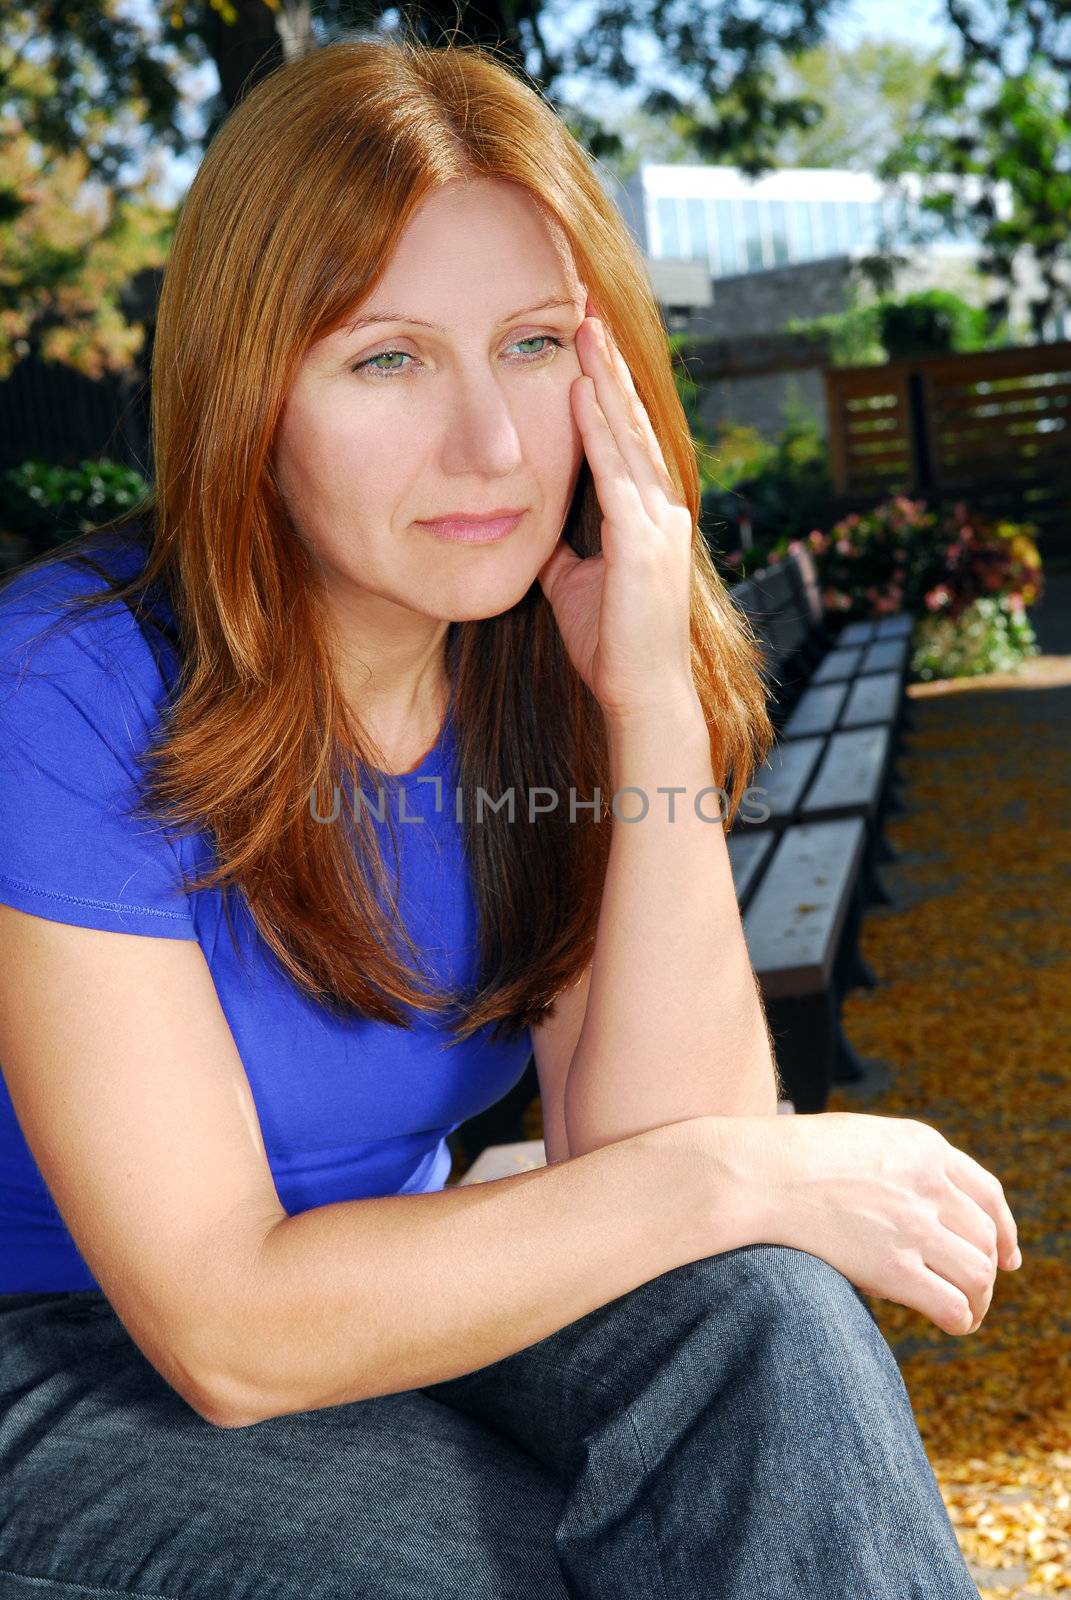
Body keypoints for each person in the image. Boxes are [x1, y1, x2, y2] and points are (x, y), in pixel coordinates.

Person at [0, 29, 1018, 1600]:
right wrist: (742, 1172)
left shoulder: (540, 661)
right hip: (55, 1348)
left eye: (534, 346)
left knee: (769, 1320)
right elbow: (226, 1329)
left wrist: (652, 704)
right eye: (386, 359)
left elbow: (664, 1166)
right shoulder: (69, 689)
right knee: (480, 1565)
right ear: (249, 394)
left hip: (390, 1277)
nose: (487, 446)